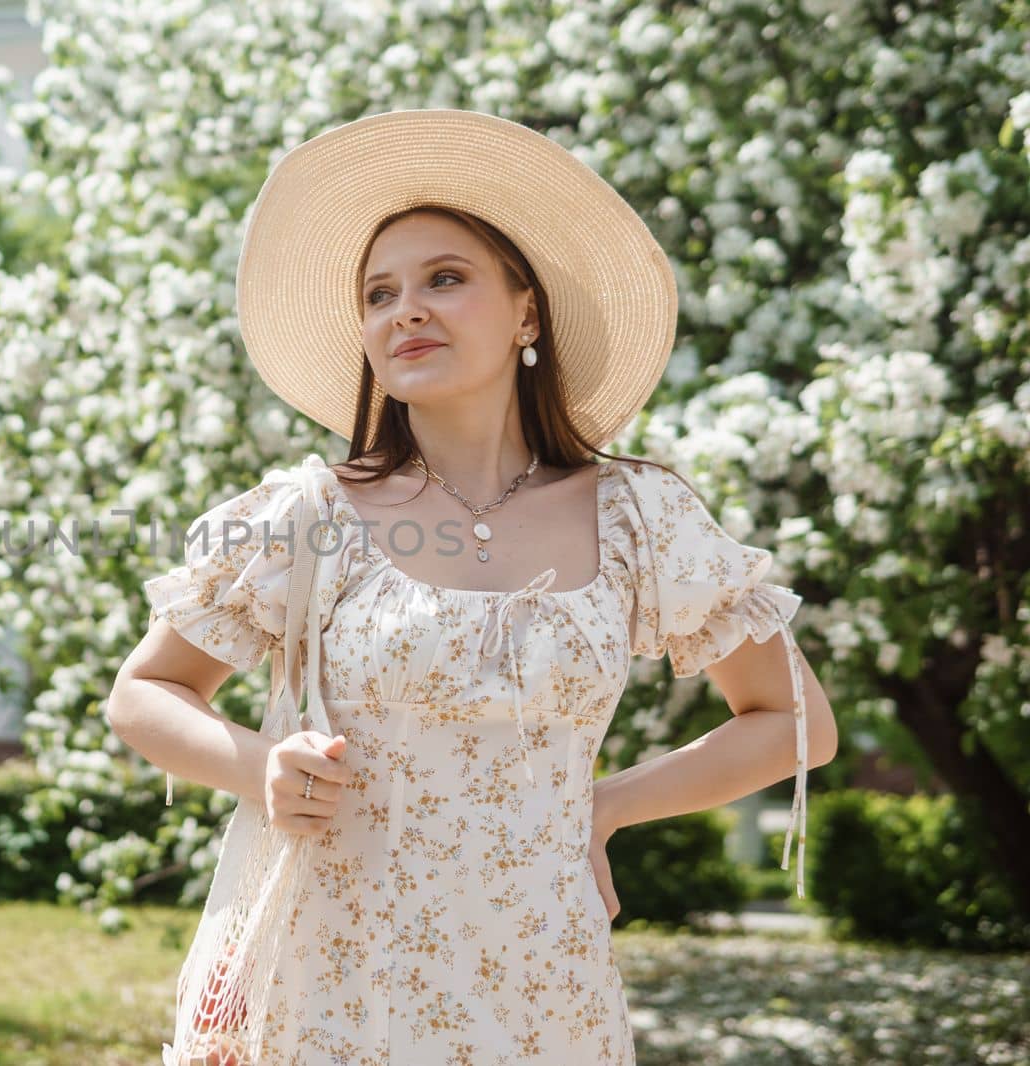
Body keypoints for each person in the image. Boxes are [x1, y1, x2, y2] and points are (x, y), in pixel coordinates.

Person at [108, 108, 838, 1065]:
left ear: (526, 312)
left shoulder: (637, 517)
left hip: (543, 985)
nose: (405, 309)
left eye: (444, 279)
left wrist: (605, 805)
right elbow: (144, 693)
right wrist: (261, 769)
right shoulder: (304, 515)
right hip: (335, 987)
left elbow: (795, 724)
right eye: (379, 294)